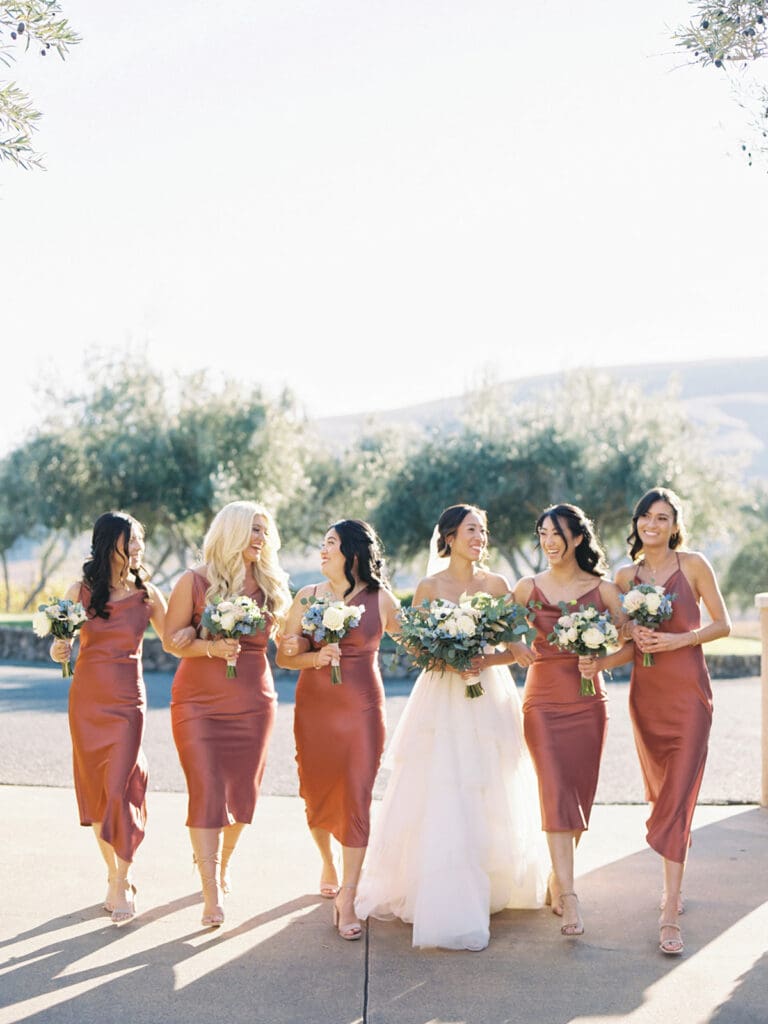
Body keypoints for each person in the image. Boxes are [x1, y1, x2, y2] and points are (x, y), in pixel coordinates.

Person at [354, 504, 548, 952]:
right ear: (448, 537)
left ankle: (492, 882)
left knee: (488, 781)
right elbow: (418, 647)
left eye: (483, 530)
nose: (479, 537)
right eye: (470, 530)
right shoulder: (428, 586)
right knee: (442, 781)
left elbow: (514, 645)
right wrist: (447, 658)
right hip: (442, 694)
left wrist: (487, 659)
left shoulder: (497, 585)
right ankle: (440, 886)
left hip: (487, 693)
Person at [584, 487, 730, 956]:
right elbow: (626, 640)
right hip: (647, 697)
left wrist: (680, 641)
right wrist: (626, 635)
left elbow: (722, 624)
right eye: (646, 516)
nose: (653, 524)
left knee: (680, 792)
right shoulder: (625, 576)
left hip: (689, 693)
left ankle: (669, 906)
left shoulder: (693, 565)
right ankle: (673, 881)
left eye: (662, 517)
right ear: (637, 523)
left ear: (674, 524)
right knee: (664, 789)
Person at [163, 500, 291, 928]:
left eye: (264, 531)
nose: (261, 539)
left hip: (254, 699)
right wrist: (206, 644)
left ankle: (220, 862)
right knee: (206, 789)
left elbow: (287, 641)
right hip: (198, 701)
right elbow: (170, 640)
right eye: (254, 530)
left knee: (242, 795)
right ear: (233, 532)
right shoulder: (194, 581)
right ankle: (210, 890)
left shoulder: (270, 585)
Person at [276, 519, 400, 941]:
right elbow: (285, 656)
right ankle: (327, 861)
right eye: (323, 543)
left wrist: (466, 642)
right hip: (315, 711)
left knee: (356, 793)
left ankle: (348, 893)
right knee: (315, 789)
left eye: (331, 543)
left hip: (363, 709)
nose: (323, 550)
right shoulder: (306, 597)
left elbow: (418, 641)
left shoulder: (380, 598)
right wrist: (309, 655)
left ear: (352, 551)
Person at [49, 511, 171, 923]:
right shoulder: (80, 591)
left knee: (120, 786)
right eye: (132, 540)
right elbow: (59, 643)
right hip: (87, 700)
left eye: (140, 540)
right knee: (99, 791)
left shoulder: (148, 594)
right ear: (110, 544)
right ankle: (115, 875)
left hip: (127, 701)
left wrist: (222, 637)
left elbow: (175, 640)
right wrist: (59, 651)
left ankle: (122, 879)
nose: (139, 547)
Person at [512, 503, 625, 939]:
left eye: (556, 532)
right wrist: (514, 645)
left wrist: (601, 662)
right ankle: (572, 895)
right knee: (555, 790)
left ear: (577, 538)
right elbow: (494, 625)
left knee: (579, 796)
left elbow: (630, 643)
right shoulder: (528, 587)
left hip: (587, 703)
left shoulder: (604, 590)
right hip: (542, 701)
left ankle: (557, 880)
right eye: (542, 533)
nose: (548, 541)